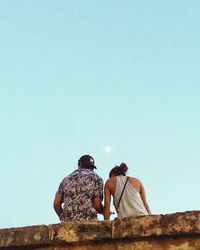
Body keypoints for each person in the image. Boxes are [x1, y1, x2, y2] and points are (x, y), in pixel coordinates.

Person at [53, 155, 104, 221]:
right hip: (88, 222)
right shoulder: (97, 178)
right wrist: (104, 211)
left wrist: (63, 218)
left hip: (69, 224)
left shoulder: (66, 179)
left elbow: (56, 204)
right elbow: (97, 205)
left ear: (79, 164)